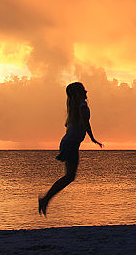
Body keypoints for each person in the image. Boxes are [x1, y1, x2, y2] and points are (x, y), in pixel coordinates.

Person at [39, 82, 103, 216]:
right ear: (78, 93)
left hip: (69, 143)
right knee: (69, 176)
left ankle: (46, 199)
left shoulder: (74, 108)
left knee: (69, 176)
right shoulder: (82, 106)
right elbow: (86, 123)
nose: (86, 92)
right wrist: (92, 138)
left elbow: (71, 126)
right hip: (71, 143)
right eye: (83, 90)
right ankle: (45, 199)